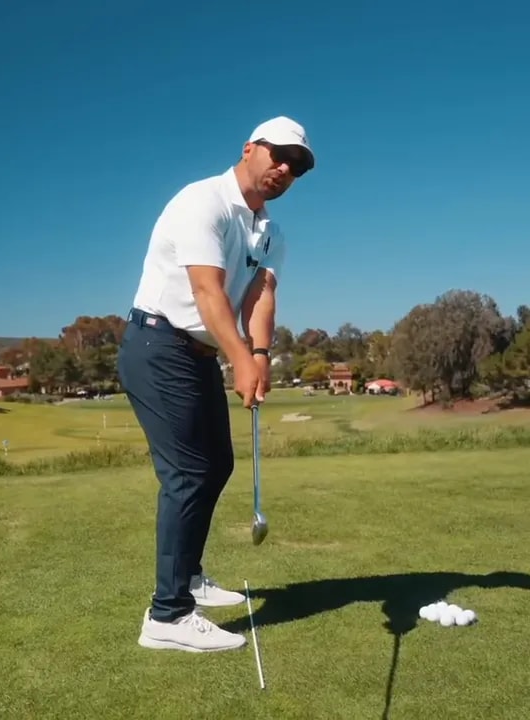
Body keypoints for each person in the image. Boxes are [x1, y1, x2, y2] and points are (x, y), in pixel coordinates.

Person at [116, 116, 314, 652]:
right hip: (158, 344)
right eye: (278, 155)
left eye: (296, 166)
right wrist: (239, 360)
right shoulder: (201, 202)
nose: (284, 169)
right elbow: (208, 291)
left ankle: (189, 577)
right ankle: (168, 615)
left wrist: (261, 354)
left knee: (217, 464)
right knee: (187, 473)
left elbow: (260, 296)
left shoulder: (270, 233)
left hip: (198, 352)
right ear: (249, 148)